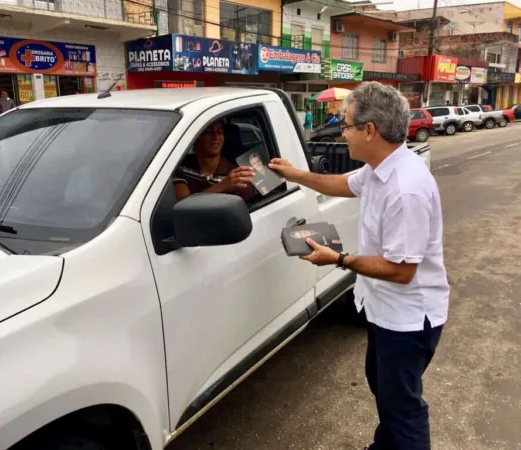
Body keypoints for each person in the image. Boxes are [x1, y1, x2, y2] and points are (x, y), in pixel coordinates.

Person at [269, 81, 449, 450]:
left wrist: (337, 259)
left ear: (370, 130)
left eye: (347, 125)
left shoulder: (406, 188)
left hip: (409, 318)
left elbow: (402, 271)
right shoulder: (380, 167)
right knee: (385, 391)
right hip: (384, 311)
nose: (341, 132)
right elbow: (342, 184)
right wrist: (295, 175)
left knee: (402, 406)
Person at [173, 119, 255, 202]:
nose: (215, 137)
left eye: (219, 132)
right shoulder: (182, 167)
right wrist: (222, 186)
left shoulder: (235, 173)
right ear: (196, 138)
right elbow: (183, 207)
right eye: (208, 132)